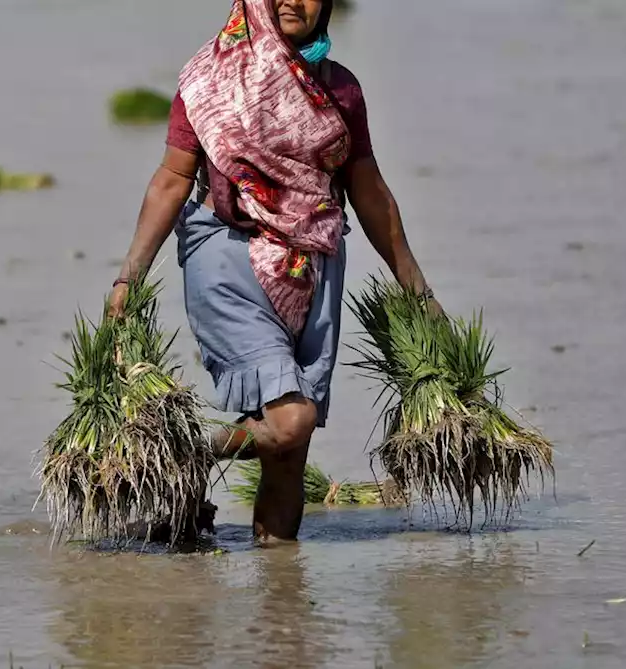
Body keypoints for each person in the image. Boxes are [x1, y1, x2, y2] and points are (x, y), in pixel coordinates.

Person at [108, 0, 439, 544]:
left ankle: (280, 595)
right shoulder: (210, 79)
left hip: (314, 267)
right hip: (227, 258)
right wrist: (129, 276)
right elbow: (171, 180)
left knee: (289, 453)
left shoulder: (341, 90)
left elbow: (369, 193)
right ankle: (176, 449)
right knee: (291, 422)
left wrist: (417, 289)